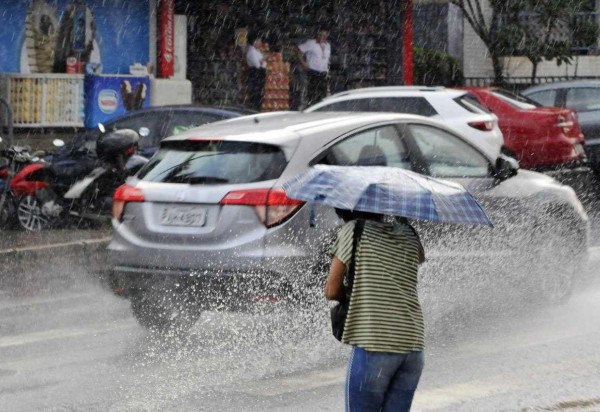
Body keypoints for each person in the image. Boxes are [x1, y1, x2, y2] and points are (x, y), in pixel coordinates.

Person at [325, 209, 426, 412]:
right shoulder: (408, 232)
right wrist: (401, 218)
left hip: (374, 344)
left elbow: (331, 290)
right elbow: (419, 258)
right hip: (413, 346)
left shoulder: (353, 229)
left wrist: (356, 293)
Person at [296, 27, 331, 107]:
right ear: (318, 34)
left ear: (327, 35)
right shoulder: (311, 43)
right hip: (313, 71)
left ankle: (320, 109)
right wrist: (303, 63)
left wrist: (328, 71)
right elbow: (298, 50)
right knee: (312, 92)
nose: (322, 37)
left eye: (324, 35)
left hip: (323, 72)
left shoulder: (328, 45)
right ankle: (311, 107)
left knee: (322, 93)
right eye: (321, 35)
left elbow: (327, 59)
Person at [246, 31, 267, 111]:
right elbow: (258, 65)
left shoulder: (256, 51)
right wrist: (263, 59)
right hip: (255, 74)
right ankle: (254, 109)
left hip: (259, 74)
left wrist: (263, 60)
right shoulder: (251, 52)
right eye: (259, 40)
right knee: (256, 93)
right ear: (255, 41)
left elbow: (264, 64)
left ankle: (258, 107)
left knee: (260, 93)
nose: (260, 42)